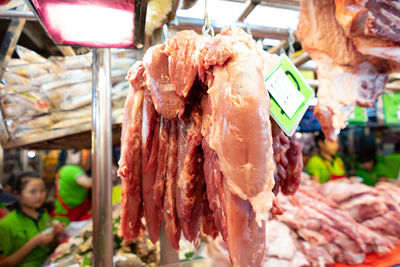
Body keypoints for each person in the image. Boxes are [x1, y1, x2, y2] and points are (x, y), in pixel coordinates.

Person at [0, 172, 63, 267]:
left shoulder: (44, 216)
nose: (39, 196)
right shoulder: (6, 224)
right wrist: (33, 243)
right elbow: (3, 264)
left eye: (42, 191)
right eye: (32, 192)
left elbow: (50, 250)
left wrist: (55, 234)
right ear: (17, 194)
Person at [53, 150, 92, 225]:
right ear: (66, 156)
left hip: (62, 216)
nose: (80, 155)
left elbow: (86, 167)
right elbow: (89, 183)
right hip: (72, 217)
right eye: (75, 152)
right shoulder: (72, 169)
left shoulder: (63, 169)